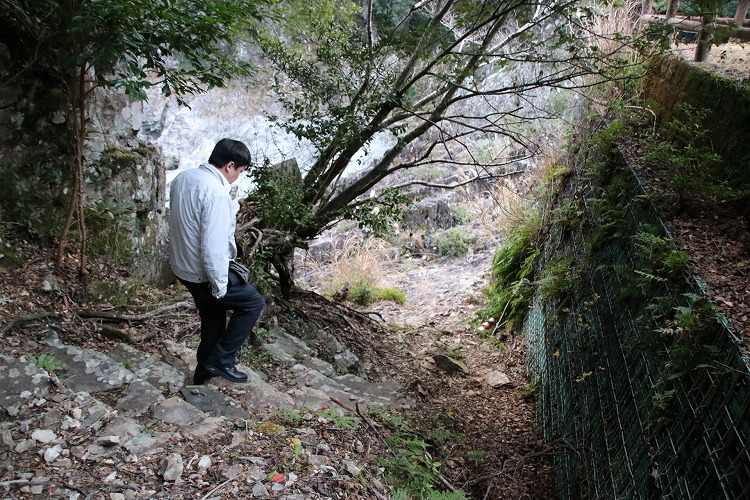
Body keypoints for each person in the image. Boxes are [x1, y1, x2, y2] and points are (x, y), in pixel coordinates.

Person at [168, 138, 265, 384]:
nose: (238, 178)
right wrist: (219, 285)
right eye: (240, 172)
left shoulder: (183, 178)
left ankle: (202, 373)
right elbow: (213, 246)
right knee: (253, 303)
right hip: (202, 271)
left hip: (183, 267)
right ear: (230, 165)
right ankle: (221, 361)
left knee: (212, 316)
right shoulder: (216, 192)